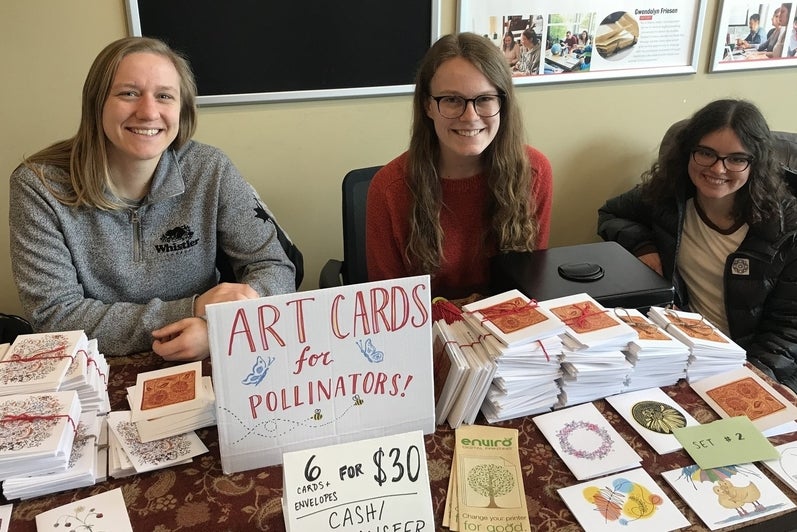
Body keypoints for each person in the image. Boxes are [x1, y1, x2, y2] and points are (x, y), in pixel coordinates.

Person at [9, 37, 297, 361]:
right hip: (96, 369)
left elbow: (273, 267)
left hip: (205, 355)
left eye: (164, 96)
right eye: (129, 93)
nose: (148, 112)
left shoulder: (210, 169)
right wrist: (191, 311)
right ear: (96, 103)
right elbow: (55, 320)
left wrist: (220, 329)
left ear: (182, 110)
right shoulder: (38, 186)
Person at [597, 99, 797, 392]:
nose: (718, 169)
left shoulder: (787, 228)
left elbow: (789, 331)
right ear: (688, 152)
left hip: (754, 366)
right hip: (679, 352)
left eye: (736, 159)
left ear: (757, 162)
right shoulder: (669, 195)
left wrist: (748, 380)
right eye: (706, 153)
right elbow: (611, 214)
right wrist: (643, 247)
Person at [366, 32, 553, 299]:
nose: (470, 116)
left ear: (503, 104)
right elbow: (391, 312)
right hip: (427, 336)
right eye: (452, 100)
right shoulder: (388, 190)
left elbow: (529, 288)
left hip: (507, 332)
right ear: (428, 106)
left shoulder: (534, 172)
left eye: (485, 99)